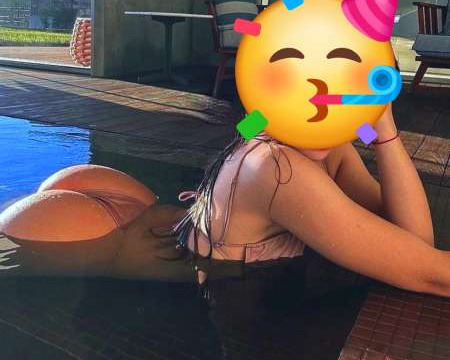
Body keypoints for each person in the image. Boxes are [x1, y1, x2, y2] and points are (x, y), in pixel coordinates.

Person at [1, 99, 448, 299]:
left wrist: (383, 129)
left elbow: (415, 246)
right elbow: (431, 273)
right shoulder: (278, 167)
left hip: (140, 207)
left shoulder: (329, 150)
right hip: (97, 236)